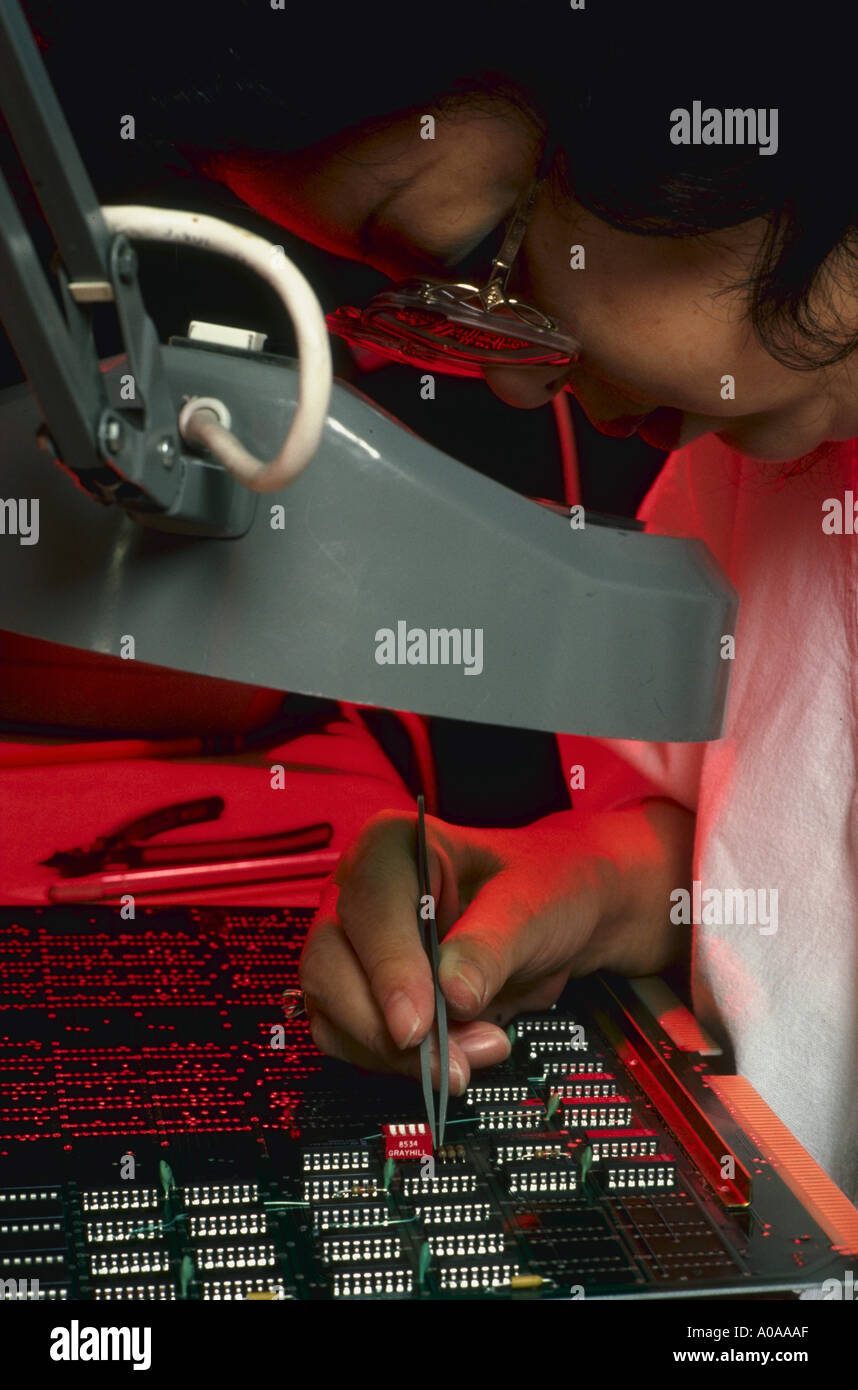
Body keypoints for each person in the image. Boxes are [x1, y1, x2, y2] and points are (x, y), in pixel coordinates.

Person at [20, 0, 858, 1202]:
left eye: (479, 258)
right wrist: (576, 884)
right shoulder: (748, 467)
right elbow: (769, 844)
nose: (524, 386)